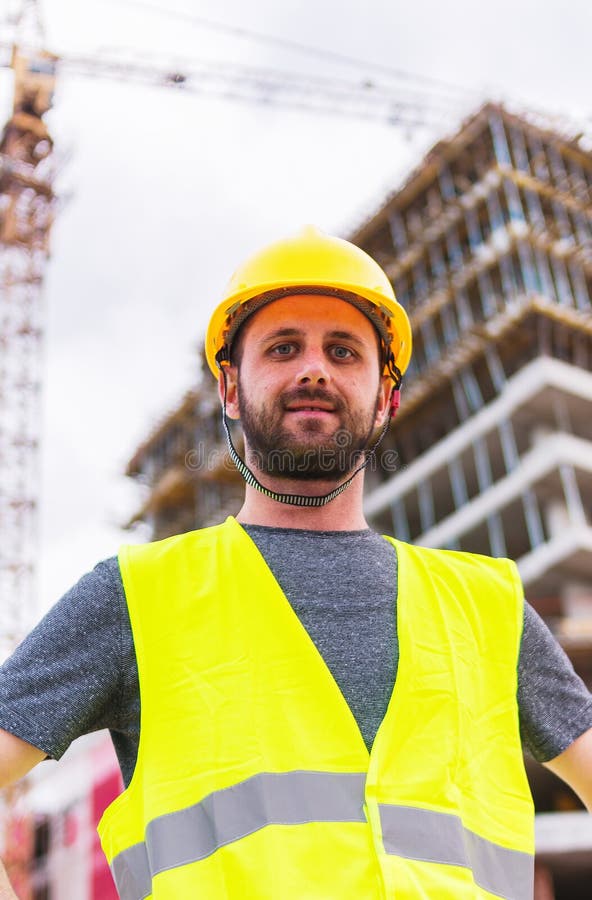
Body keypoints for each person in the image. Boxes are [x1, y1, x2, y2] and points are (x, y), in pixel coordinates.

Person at [1, 226, 592, 899]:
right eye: (284, 348)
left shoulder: (487, 608)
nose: (314, 369)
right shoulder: (139, 596)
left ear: (386, 399)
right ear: (230, 389)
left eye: (343, 351)